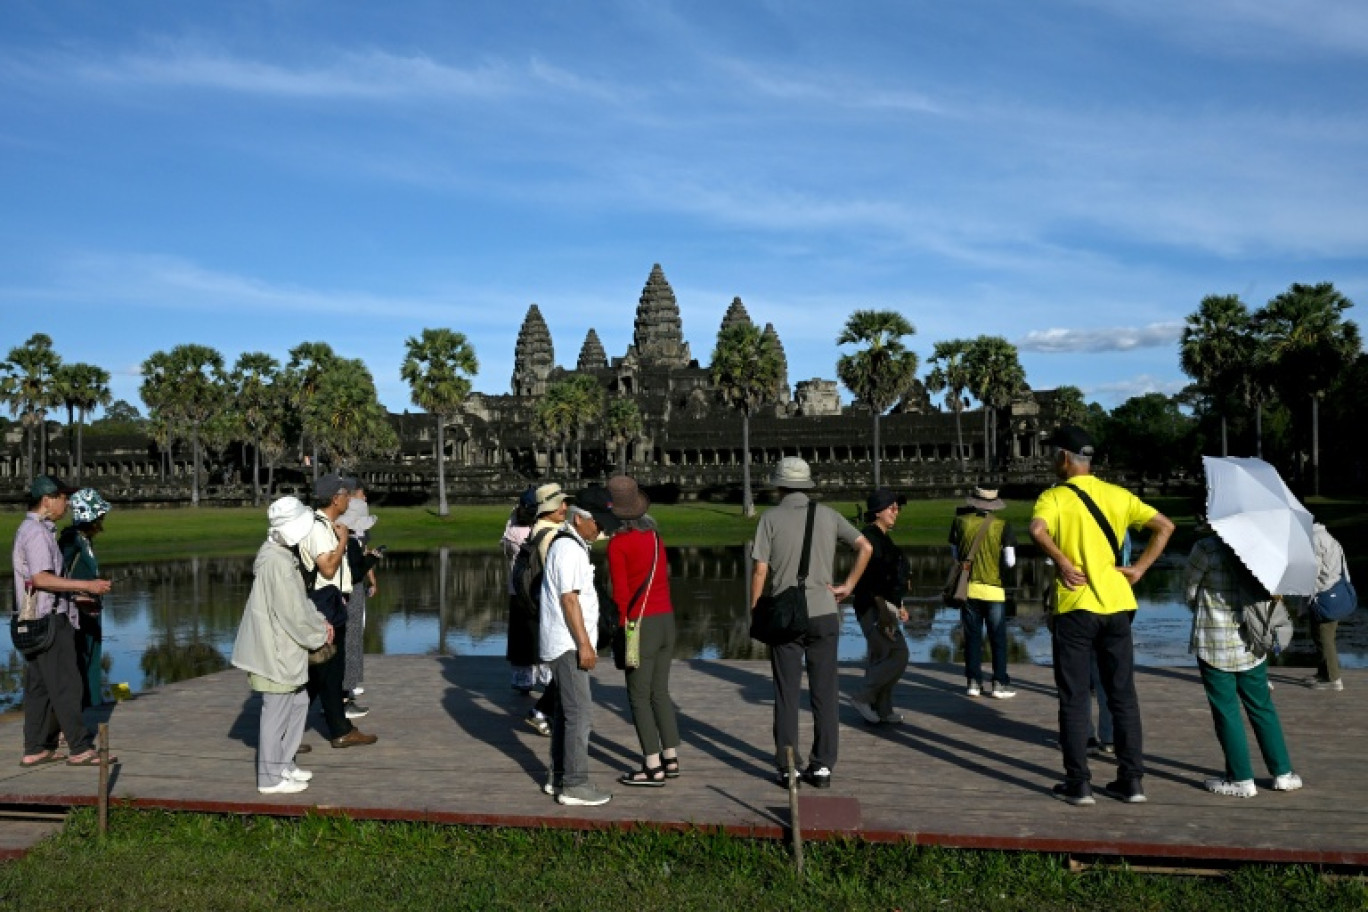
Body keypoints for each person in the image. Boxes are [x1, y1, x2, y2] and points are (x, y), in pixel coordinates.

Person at [1030, 426, 1174, 806]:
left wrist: (1061, 560)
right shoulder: (1118, 495)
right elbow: (1165, 526)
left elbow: (1037, 529)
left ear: (1064, 457)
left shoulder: (1054, 496)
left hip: (1076, 606)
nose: (1050, 461)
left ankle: (1079, 784)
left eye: (1052, 454)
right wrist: (1140, 568)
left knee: (1075, 697)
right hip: (1117, 604)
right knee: (1122, 694)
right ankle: (1132, 781)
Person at [751, 457, 872, 789]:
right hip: (823, 612)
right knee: (825, 692)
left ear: (779, 485)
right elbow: (865, 547)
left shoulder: (770, 519)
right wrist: (848, 585)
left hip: (785, 616)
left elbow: (761, 570)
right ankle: (822, 766)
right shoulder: (828, 515)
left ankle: (788, 765)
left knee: (786, 693)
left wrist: (755, 609)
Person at [1184, 526, 1303, 797]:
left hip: (1213, 642)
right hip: (1253, 641)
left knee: (1226, 712)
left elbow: (1190, 590)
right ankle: (1283, 773)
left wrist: (1200, 605)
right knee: (1262, 707)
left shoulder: (1206, 548)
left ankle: (1240, 779)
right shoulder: (1261, 548)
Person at [231, 496, 333, 795]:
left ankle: (283, 763)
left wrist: (318, 621)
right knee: (275, 712)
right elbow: (292, 612)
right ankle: (269, 777)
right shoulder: (277, 562)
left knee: (299, 701)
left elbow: (299, 604)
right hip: (273, 649)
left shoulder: (278, 554)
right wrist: (319, 634)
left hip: (284, 648)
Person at [13, 475, 114, 767]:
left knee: (40, 688)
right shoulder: (36, 533)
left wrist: (79, 594)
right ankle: (80, 748)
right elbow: (41, 578)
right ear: (47, 500)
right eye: (62, 498)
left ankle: (36, 748)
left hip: (39, 619)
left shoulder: (36, 530)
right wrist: (87, 587)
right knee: (68, 685)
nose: (66, 503)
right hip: (49, 620)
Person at [540, 485, 620, 806]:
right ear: (578, 518)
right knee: (580, 713)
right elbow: (569, 600)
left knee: (565, 711)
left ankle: (558, 777)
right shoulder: (569, 549)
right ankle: (574, 784)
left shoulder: (573, 544)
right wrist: (585, 645)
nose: (601, 528)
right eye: (597, 522)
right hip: (568, 643)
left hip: (565, 641)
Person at [606, 474, 681, 786]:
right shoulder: (655, 538)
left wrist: (623, 636)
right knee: (659, 692)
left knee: (638, 696)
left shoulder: (618, 544)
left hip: (640, 624)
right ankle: (671, 756)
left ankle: (652, 765)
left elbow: (621, 596)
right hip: (666, 620)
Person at [300, 473, 377, 749]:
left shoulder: (329, 524)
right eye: (346, 494)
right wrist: (343, 541)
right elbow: (328, 568)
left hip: (335, 602)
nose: (350, 498)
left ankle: (339, 728)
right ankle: (286, 730)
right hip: (323, 605)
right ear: (335, 498)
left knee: (331, 672)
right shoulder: (320, 528)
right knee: (317, 673)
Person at [849, 487, 910, 725]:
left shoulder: (881, 537)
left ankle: (883, 708)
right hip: (873, 607)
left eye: (898, 507)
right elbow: (873, 579)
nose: (897, 511)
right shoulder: (870, 539)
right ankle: (863, 696)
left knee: (881, 655)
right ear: (878, 512)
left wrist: (899, 604)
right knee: (898, 654)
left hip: (883, 605)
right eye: (892, 507)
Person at [950, 485, 1018, 699]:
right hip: (994, 590)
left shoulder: (960, 522)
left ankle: (973, 682)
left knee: (972, 638)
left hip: (968, 588)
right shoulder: (1001, 525)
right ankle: (998, 683)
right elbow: (1010, 561)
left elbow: (955, 553)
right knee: (997, 638)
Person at [519, 483, 571, 737]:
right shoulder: (550, 535)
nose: (564, 508)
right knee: (566, 667)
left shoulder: (544, 530)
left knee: (564, 668)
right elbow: (562, 577)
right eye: (558, 504)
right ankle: (543, 711)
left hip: (548, 607)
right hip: (559, 609)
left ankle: (545, 711)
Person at [58, 488, 112, 708]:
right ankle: (77, 713)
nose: (102, 521)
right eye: (99, 517)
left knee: (90, 660)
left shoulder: (85, 540)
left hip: (90, 613)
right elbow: (57, 575)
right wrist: (79, 595)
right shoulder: (71, 540)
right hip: (76, 614)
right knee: (78, 662)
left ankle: (91, 706)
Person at [339, 490, 381, 710]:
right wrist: (372, 559)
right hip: (349, 595)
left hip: (341, 596)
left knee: (347, 642)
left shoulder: (340, 539)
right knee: (351, 641)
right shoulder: (350, 543)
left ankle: (343, 693)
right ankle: (345, 696)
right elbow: (355, 573)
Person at [501, 487, 539, 694]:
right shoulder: (532, 529)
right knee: (536, 631)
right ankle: (541, 672)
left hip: (517, 587)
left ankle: (524, 676)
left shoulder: (512, 524)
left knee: (521, 633)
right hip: (533, 587)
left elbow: (506, 548)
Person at [1306, 522, 1349, 692]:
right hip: (1332, 594)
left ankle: (1334, 679)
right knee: (1320, 634)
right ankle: (1324, 673)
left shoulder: (1315, 540)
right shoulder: (1329, 538)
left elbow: (1313, 570)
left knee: (1324, 637)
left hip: (1322, 595)